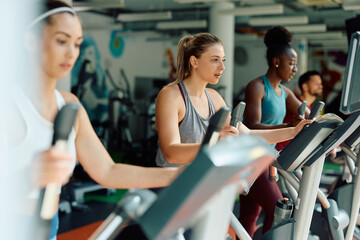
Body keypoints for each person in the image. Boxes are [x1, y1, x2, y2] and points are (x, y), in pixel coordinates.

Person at [8, 1, 179, 239]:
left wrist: (174, 175)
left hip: (49, 225)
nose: (72, 53)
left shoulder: (71, 106)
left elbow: (108, 171)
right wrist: (30, 176)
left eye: (77, 44)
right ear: (31, 40)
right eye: (61, 41)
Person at [155, 33, 311, 168]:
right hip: (171, 186)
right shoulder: (171, 95)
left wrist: (293, 131)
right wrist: (215, 142)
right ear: (194, 62)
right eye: (215, 60)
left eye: (223, 60)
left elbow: (247, 134)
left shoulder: (214, 98)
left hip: (202, 182)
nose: (222, 67)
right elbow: (171, 153)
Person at [241, 26, 310, 237]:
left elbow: (308, 114)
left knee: (249, 217)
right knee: (277, 212)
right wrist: (288, 127)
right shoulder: (257, 87)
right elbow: (252, 125)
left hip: (268, 160)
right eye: (291, 64)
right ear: (276, 62)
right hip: (252, 159)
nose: (294, 70)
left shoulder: (285, 92)